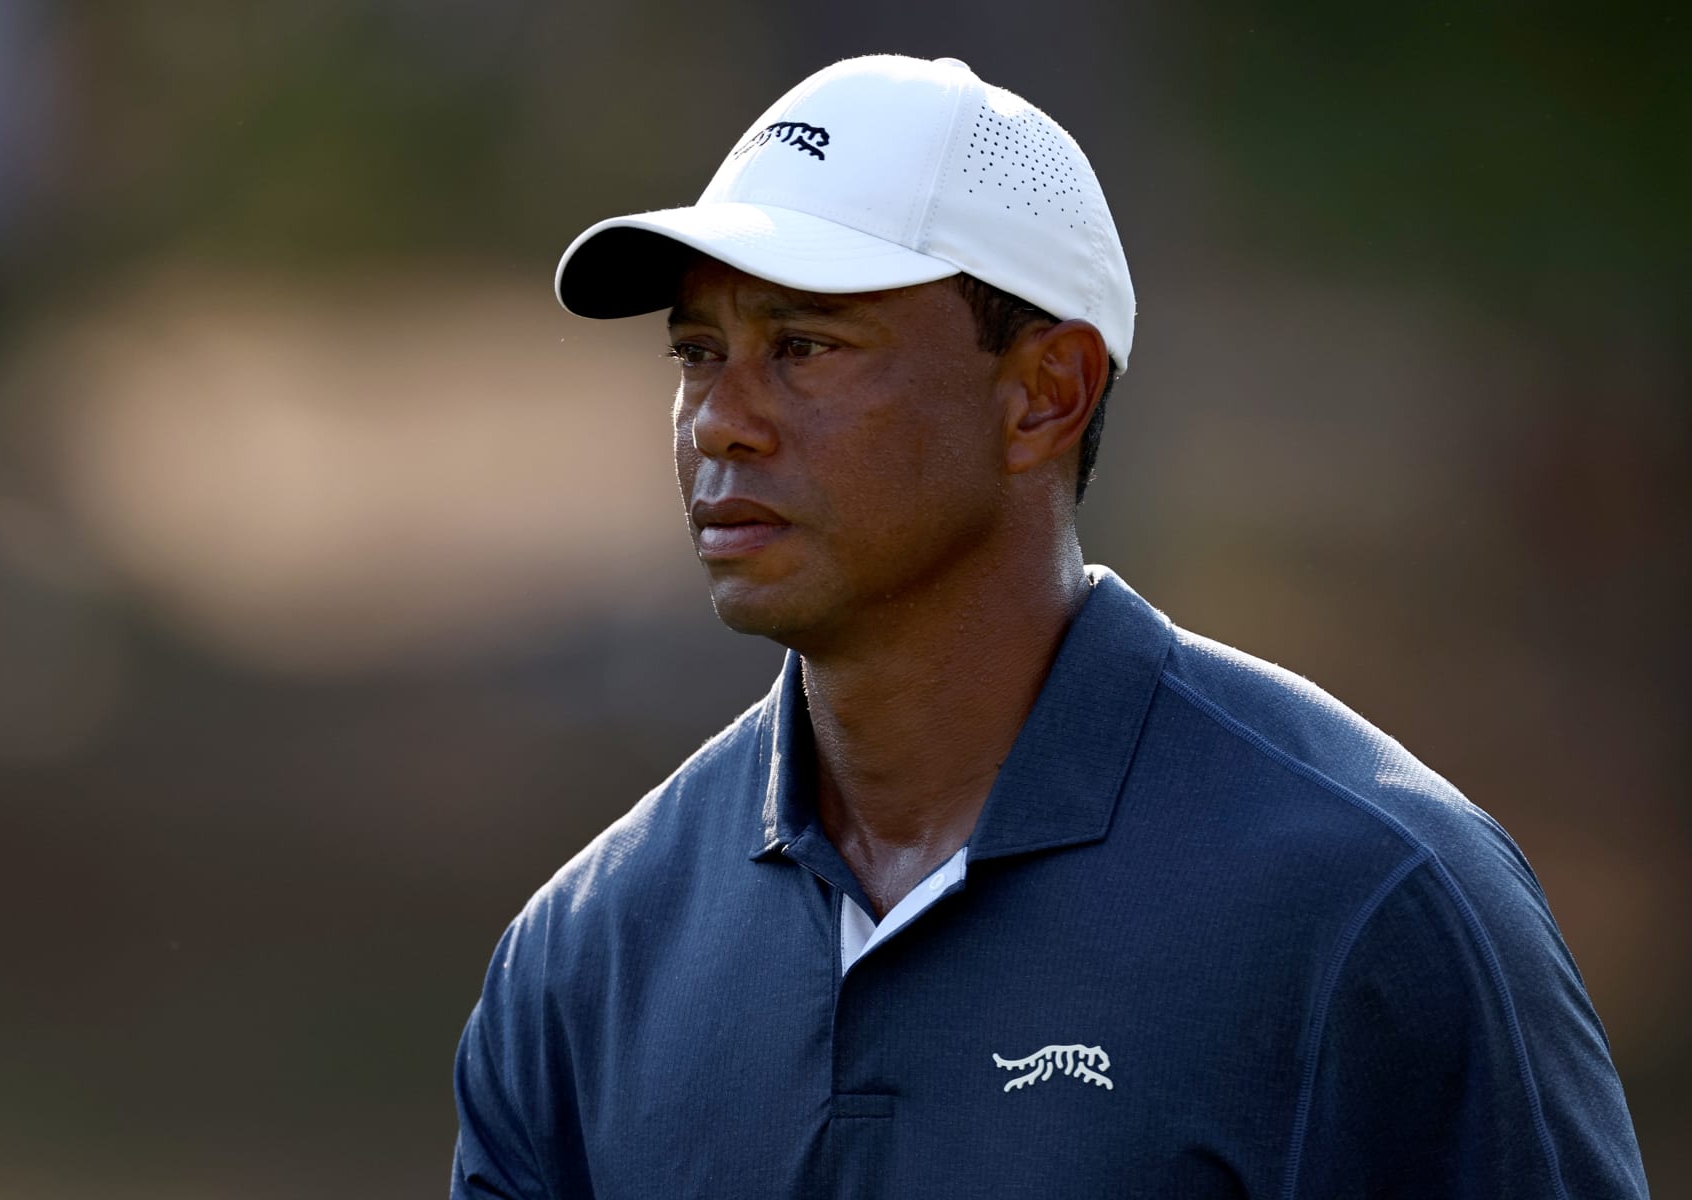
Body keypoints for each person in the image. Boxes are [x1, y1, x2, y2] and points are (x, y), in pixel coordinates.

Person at [451, 55, 1649, 1198]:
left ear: (1046, 393)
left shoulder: (1370, 902)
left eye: (803, 345)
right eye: (700, 353)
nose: (720, 420)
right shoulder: (587, 954)